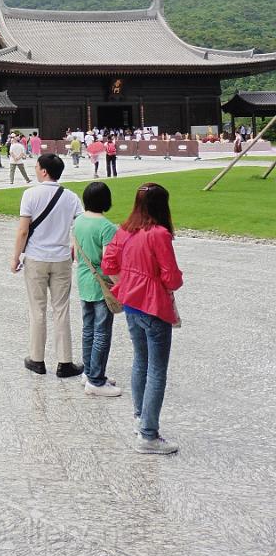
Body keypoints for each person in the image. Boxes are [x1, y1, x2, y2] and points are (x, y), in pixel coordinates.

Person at [102, 183, 183, 454]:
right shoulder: (158, 234)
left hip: (132, 303)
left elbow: (109, 262)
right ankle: (148, 434)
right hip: (153, 304)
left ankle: (140, 417)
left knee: (141, 360)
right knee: (157, 369)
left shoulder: (126, 229)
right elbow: (171, 277)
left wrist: (129, 279)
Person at [11, 153, 84, 377]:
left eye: (36, 167)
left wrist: (15, 257)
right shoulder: (71, 197)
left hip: (36, 258)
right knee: (61, 310)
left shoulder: (30, 194)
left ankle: (37, 359)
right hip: (61, 258)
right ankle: (64, 362)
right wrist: (74, 247)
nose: (35, 169)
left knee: (37, 310)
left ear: (44, 171)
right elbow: (79, 226)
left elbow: (24, 230)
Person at [73, 182, 120, 397]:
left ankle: (89, 371)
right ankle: (96, 380)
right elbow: (110, 264)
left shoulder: (79, 221)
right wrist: (120, 285)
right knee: (102, 332)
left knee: (88, 329)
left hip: (84, 281)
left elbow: (74, 253)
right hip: (102, 285)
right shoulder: (107, 227)